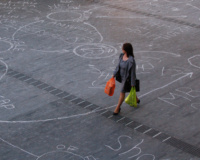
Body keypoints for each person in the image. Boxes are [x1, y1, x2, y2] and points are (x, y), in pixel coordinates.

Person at [112, 43, 140, 115]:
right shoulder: (121, 56)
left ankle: (117, 108)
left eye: (123, 48)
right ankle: (136, 99)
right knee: (130, 89)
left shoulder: (131, 61)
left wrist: (133, 83)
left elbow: (133, 73)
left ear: (126, 50)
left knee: (122, 92)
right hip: (121, 77)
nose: (122, 49)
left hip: (127, 79)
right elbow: (118, 66)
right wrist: (114, 74)